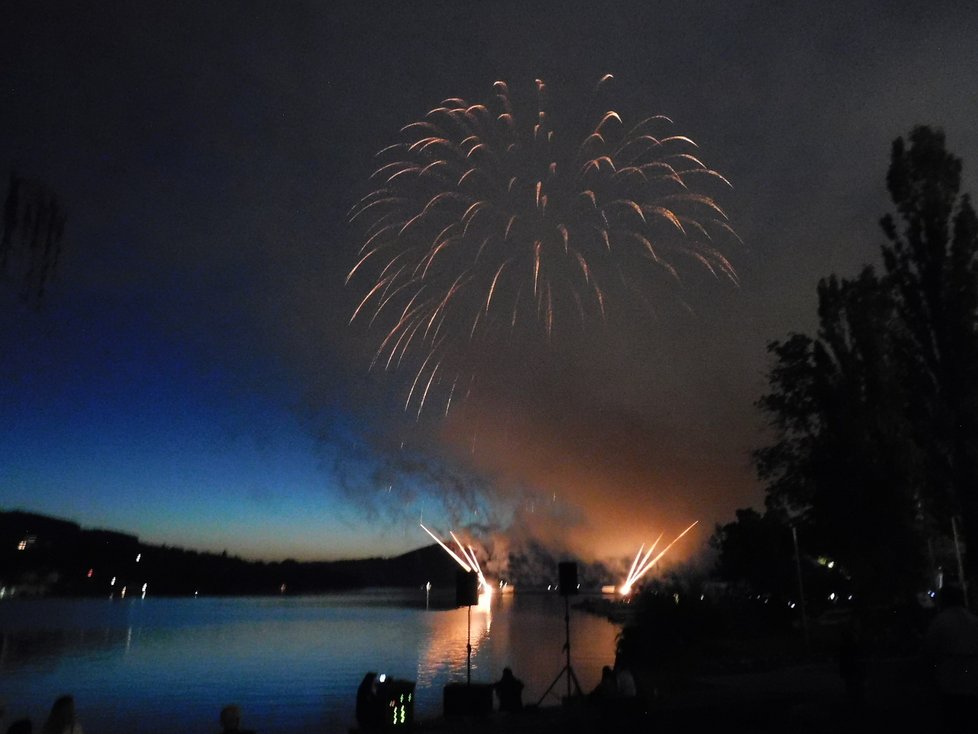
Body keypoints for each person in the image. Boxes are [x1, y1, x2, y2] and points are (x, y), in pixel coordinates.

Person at [923, 585, 978, 728]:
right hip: (972, 682)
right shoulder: (973, 621)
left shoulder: (940, 622)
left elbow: (929, 650)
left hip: (949, 681)